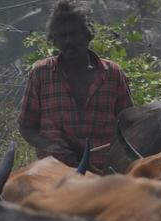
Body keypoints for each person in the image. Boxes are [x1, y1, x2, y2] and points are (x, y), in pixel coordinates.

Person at [18, 0, 133, 171]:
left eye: (74, 34)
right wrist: (49, 146)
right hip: (54, 171)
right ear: (55, 40)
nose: (69, 41)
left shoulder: (113, 74)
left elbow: (128, 124)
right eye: (62, 36)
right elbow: (26, 126)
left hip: (104, 171)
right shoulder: (40, 73)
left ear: (88, 34)